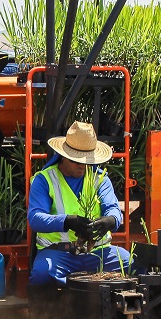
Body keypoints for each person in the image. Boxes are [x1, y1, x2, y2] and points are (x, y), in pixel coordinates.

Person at [28, 121, 132, 286]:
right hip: (58, 253)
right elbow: (35, 218)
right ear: (63, 155)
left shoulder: (100, 179)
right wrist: (68, 221)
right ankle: (44, 312)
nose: (82, 165)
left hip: (98, 252)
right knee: (42, 273)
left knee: (132, 265)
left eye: (86, 160)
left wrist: (110, 221)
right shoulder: (44, 180)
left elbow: (113, 209)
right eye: (76, 160)